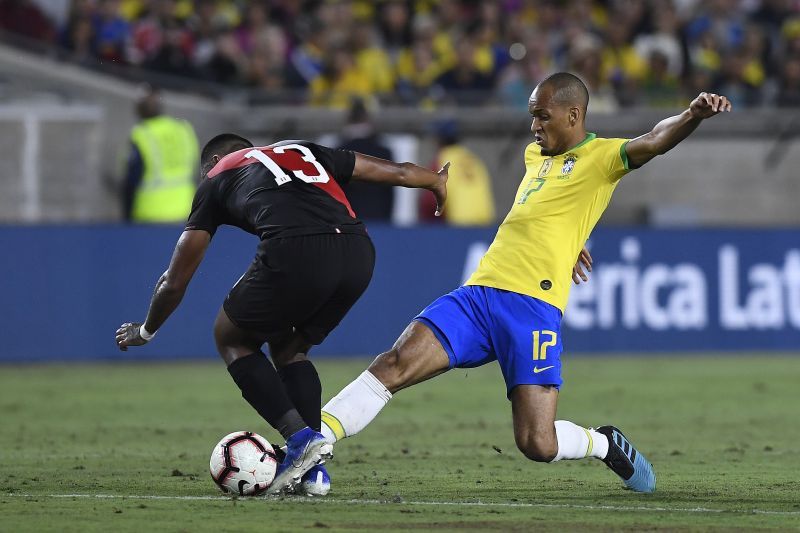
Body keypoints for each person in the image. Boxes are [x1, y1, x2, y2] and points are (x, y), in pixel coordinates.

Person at [319, 72, 732, 494]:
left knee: (537, 442)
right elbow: (539, 211)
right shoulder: (534, 156)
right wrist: (567, 243)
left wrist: (691, 116)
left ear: (573, 115)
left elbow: (654, 138)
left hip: (531, 309)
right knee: (392, 364)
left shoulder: (604, 157)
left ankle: (604, 443)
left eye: (542, 116)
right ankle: (310, 445)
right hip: (478, 295)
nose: (534, 126)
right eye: (532, 116)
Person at [115, 134, 449, 495]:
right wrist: (434, 181)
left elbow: (175, 280)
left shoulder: (217, 177)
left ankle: (301, 439)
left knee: (231, 339)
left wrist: (147, 330)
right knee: (290, 349)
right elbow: (396, 172)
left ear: (213, 161)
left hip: (296, 248)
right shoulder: (300, 150)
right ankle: (312, 474)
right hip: (358, 252)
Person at [122, 86, 199, 223]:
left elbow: (132, 179)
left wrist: (126, 217)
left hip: (151, 213)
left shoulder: (141, 134)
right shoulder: (183, 129)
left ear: (138, 108)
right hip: (185, 210)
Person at [419, 119, 495, 226]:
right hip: (485, 223)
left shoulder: (442, 159)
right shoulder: (473, 159)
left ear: (440, 139)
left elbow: (430, 202)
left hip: (459, 224)